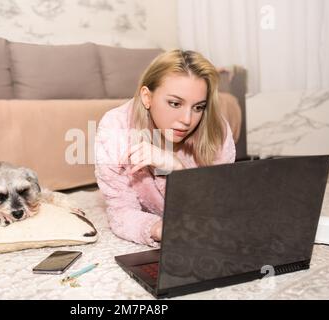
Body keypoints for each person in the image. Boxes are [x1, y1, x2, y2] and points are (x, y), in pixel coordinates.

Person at [94, 50, 236, 247]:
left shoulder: (215, 129)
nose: (187, 120)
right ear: (147, 97)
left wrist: (177, 170)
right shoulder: (115, 128)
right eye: (175, 103)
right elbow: (120, 211)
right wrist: (158, 228)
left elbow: (219, 206)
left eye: (198, 107)